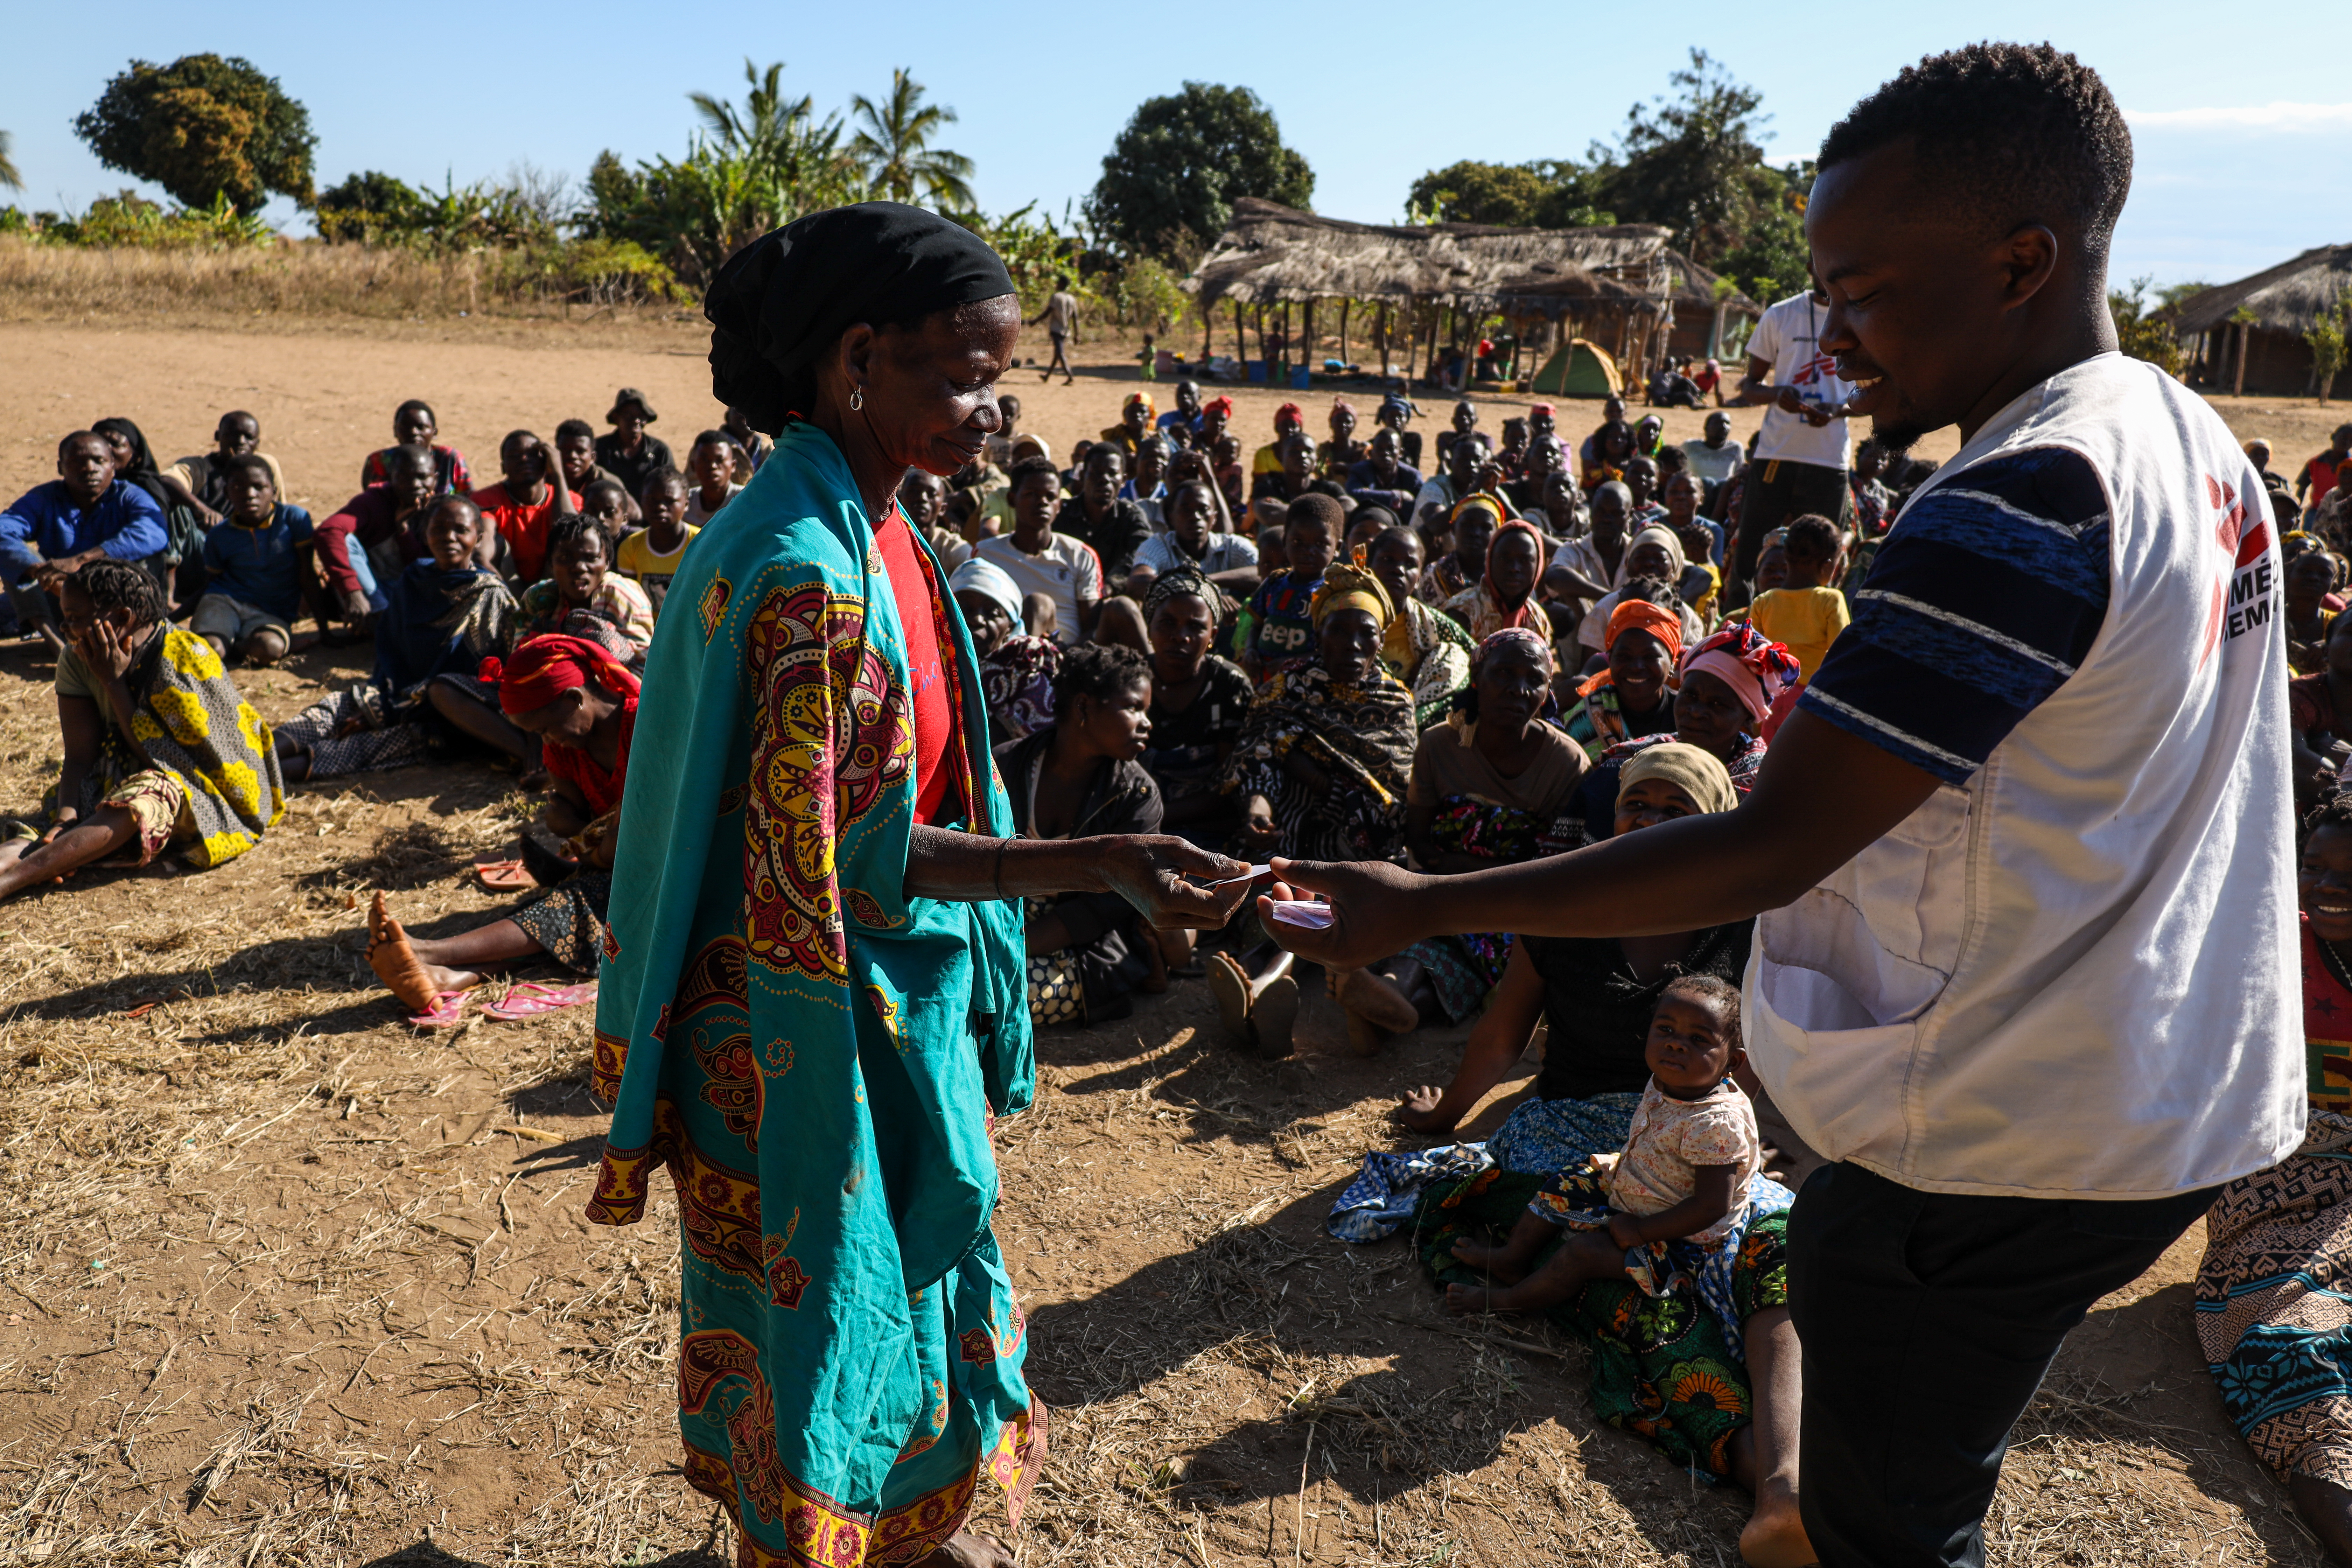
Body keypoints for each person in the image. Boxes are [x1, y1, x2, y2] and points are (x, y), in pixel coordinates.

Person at [1267, 46, 2299, 1568]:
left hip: (2005, 1128)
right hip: (2152, 1080)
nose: (1823, 339)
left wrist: (1419, 904)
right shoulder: (2182, 435)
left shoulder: (2020, 496)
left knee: (1885, 1518)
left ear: (2019, 260)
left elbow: (1763, 843)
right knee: (1912, 1451)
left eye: (1858, 286)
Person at [601, 203, 1251, 1568]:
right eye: (959, 374)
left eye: (1001, 376)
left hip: (875, 996)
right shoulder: (807, 577)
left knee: (885, 1300)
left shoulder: (874, 526)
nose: (991, 408)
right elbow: (847, 866)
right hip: (810, 1028)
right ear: (855, 357)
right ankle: (822, 1538)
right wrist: (1106, 861)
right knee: (829, 1315)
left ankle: (892, 1530)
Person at [2196, 796, 2352, 1561]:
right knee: (2284, 1337)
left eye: (2349, 874)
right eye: (2315, 866)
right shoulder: (2269, 954)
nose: (2326, 885)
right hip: (2284, 1189)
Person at [1446, 971, 1760, 1314]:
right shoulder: (1669, 1078)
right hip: (1643, 1191)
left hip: (1682, 1239)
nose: (1676, 1043)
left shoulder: (1716, 1122)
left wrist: (1640, 1230)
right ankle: (1512, 1258)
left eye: (1699, 1039)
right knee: (1571, 1179)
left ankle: (1510, 1302)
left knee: (1583, 1254)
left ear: (1733, 1061)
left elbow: (1710, 1207)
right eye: (1665, 1030)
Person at [364, 634, 640, 1020]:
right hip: (618, 865)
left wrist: (585, 846)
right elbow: (572, 819)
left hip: (673, 872)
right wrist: (581, 837)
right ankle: (451, 975)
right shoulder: (564, 745)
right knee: (575, 904)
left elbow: (623, 843)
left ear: (575, 699)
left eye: (547, 728)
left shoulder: (645, 727)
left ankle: (431, 952)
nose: (548, 742)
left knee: (583, 899)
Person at [1333, 627, 1585, 1049]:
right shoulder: (1440, 745)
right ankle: (1391, 1003)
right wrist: (1457, 874)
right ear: (1476, 677)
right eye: (1503, 673)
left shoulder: (1565, 762)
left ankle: (1386, 999)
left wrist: (1463, 873)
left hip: (1517, 904)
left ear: (1547, 690)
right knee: (1427, 914)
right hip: (1439, 886)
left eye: (1533, 679)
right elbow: (1420, 843)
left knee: (1475, 937)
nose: (1518, 689)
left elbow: (1554, 874)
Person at [0, 559, 282, 900]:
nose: (64, 627)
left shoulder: (185, 659)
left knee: (147, 795)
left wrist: (114, 683)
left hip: (198, 789)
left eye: (74, 617)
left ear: (121, 618)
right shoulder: (77, 657)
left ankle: (14, 882)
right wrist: (65, 819)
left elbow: (174, 765)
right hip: (119, 775)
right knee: (46, 828)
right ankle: (34, 856)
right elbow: (80, 757)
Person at [273, 495, 519, 783]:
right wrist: (377, 702)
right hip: (393, 694)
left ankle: (254, 775)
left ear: (478, 539)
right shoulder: (415, 577)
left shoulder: (489, 596)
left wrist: (387, 713)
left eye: (461, 531)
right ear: (425, 533)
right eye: (438, 529)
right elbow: (390, 650)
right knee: (330, 711)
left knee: (356, 749)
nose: (448, 538)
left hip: (445, 717)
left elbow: (464, 681)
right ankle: (249, 755)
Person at [999, 642, 1170, 1026]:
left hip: (1080, 944)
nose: (1147, 723)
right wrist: (993, 938)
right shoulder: (1005, 766)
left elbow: (1106, 905)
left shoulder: (1136, 795)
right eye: (1133, 708)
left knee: (997, 998)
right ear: (1083, 706)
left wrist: (1016, 946)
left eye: (1148, 710)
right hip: (997, 917)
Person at [1567, 621, 1802, 847]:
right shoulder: (1624, 765)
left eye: (1718, 704)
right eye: (1690, 696)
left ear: (1749, 717)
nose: (1697, 712)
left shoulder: (1767, 788)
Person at [1730, 285, 1855, 596]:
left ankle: (1818, 629)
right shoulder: (1781, 314)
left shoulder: (1860, 316)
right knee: (1752, 554)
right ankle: (1737, 627)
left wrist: (1837, 411)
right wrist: (1776, 394)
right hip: (1777, 453)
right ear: (1811, 265)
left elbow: (1877, 391)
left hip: (1828, 459)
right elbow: (1749, 387)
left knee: (1825, 558)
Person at [1, 431, 169, 655]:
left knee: (151, 556)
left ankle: (133, 638)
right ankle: (56, 643)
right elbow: (4, 529)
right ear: (61, 468)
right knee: (17, 564)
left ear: (113, 465)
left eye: (99, 461)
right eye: (78, 461)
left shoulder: (130, 497)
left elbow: (154, 532)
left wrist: (82, 560)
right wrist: (37, 569)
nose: (90, 468)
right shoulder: (45, 498)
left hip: (115, 605)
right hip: (57, 600)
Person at [1137, 566, 1252, 857]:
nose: (1181, 636)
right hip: (1134, 819)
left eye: (1195, 626)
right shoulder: (1132, 680)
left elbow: (1228, 789)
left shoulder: (1229, 684)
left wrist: (1156, 816)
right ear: (1149, 627)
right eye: (1167, 623)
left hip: (1207, 827)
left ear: (1213, 634)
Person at [192, 455, 316, 665]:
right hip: (225, 603)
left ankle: (236, 648)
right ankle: (225, 645)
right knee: (211, 651)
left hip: (272, 612)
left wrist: (324, 631)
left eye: (259, 487)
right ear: (227, 493)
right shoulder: (220, 535)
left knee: (268, 649)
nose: (250, 495)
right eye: (239, 487)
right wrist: (171, 619)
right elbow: (210, 584)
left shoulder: (294, 520)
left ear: (274, 491)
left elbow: (308, 575)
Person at [974, 456, 1105, 643]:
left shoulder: (1081, 555)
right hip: (1004, 656)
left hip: (1067, 657)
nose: (1042, 502)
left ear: (1059, 505)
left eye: (1051, 497)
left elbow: (1092, 629)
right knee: (1037, 605)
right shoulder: (987, 555)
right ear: (1012, 499)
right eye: (1032, 494)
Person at [1366, 525, 1475, 727]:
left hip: (1418, 727)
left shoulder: (1433, 624)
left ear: (1419, 579)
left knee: (1456, 658)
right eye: (1388, 559)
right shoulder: (1348, 615)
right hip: (1357, 714)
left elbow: (1477, 658)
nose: (1398, 569)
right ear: (1368, 566)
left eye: (1410, 564)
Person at [318, 443, 442, 620]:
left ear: (435, 479)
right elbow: (329, 531)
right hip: (375, 592)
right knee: (346, 541)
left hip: (415, 593)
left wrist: (403, 530)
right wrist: (352, 591)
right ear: (391, 478)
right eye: (404, 477)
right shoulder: (374, 501)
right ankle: (379, 615)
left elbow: (422, 569)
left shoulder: (441, 510)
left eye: (423, 477)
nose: (415, 485)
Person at [951, 556, 1059, 743]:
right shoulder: (929, 662)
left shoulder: (1026, 668)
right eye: (964, 609)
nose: (977, 620)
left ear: (1009, 628)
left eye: (992, 613)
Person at [1563, 596, 1685, 760]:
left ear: (1672, 664)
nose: (1636, 666)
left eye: (1650, 657)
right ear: (1610, 659)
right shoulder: (1588, 716)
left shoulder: (1687, 715)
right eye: (1624, 656)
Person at [518, 514, 654, 657]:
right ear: (551, 564)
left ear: (607, 561)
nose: (579, 568)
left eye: (591, 558)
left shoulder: (624, 596)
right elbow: (519, 656)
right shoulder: (539, 598)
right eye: (566, 558)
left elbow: (644, 663)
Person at [1236, 494, 1338, 681]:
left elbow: (1329, 649)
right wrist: (1251, 649)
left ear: (1337, 548)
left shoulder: (1331, 593)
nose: (1308, 551)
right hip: (1263, 678)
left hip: (1304, 683)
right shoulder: (1274, 583)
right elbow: (1257, 626)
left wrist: (1290, 662)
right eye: (1298, 542)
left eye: (1321, 544)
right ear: (1285, 543)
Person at [1575, 521, 1708, 661]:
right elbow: (1592, 668)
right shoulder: (1605, 609)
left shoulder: (1686, 617)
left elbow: (1689, 668)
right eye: (1641, 557)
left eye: (1660, 559)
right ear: (1627, 564)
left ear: (1675, 568)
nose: (1650, 563)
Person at [1745, 515, 1850, 681]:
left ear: (1787, 556)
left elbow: (1751, 651)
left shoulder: (1763, 602)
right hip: (1808, 695)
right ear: (1827, 565)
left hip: (1769, 692)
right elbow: (1842, 654)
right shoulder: (1831, 600)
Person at [470, 430, 583, 584]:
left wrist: (558, 473)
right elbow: (486, 537)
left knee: (563, 545)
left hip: (554, 583)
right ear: (503, 468)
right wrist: (484, 564)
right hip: (507, 582)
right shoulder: (486, 499)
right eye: (514, 456)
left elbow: (569, 534)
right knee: (498, 541)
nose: (524, 459)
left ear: (546, 462)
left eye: (532, 454)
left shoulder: (569, 499)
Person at [1441, 514, 1548, 642]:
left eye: (1525, 560)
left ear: (1539, 565)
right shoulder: (1463, 613)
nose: (1514, 568)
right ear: (1490, 561)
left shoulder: (1538, 619)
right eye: (1504, 559)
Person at [1058, 443, 1152, 581]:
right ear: (1083, 476)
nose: (1104, 479)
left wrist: (1113, 584)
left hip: (1114, 594)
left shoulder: (1131, 516)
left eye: (1112, 474)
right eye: (1097, 472)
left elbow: (1143, 553)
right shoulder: (1062, 513)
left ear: (1124, 481)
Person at [614, 470, 700, 616]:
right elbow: (629, 600)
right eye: (652, 499)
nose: (660, 507)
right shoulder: (631, 547)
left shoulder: (699, 542)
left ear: (686, 504)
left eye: (669, 500)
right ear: (642, 500)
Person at [1133, 479, 1257, 578]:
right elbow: (1138, 580)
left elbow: (1264, 575)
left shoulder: (1233, 546)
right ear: (1171, 518)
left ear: (1214, 518)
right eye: (1186, 510)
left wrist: (1207, 581)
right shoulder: (1158, 546)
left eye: (1203, 510)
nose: (1195, 517)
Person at [361, 399, 470, 494]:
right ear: (395, 431)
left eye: (421, 427)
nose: (413, 432)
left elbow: (468, 500)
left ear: (434, 432)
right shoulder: (379, 462)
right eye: (405, 426)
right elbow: (372, 504)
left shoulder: (450, 459)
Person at [594, 389, 673, 500]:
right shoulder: (599, 448)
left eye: (641, 416)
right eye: (628, 415)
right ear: (617, 418)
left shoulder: (659, 451)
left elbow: (670, 487)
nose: (636, 421)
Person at [1419, 493, 1496, 606]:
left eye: (1486, 528)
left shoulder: (1502, 577)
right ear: (1453, 529)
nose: (1475, 533)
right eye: (1468, 525)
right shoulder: (1435, 574)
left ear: (1497, 534)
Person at [554, 418, 631, 516]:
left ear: (593, 458)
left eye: (580, 451)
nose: (572, 456)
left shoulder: (605, 481)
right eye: (565, 450)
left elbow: (635, 515)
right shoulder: (543, 478)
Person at [2286, 548, 2342, 676]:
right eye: (2304, 571)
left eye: (2324, 574)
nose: (2313, 578)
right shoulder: (2270, 620)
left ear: (2333, 586)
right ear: (2288, 575)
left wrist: (2330, 645)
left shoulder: (2339, 626)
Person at [1345, 428, 1422, 515]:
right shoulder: (1360, 471)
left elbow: (1423, 502)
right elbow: (1354, 494)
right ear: (1371, 453)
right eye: (1380, 449)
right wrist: (1397, 496)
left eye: (1391, 449)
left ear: (1401, 453)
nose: (1385, 453)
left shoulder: (1412, 476)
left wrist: (1370, 495)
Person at [1683, 410, 1745, 510]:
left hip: (1724, 495)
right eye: (1718, 423)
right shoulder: (1690, 446)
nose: (1724, 427)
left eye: (1727, 423)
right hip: (1695, 492)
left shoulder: (1736, 448)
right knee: (1708, 483)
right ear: (1706, 428)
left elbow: (1738, 475)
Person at [683, 429, 744, 527]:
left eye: (720, 460)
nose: (713, 466)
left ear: (733, 466)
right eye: (704, 460)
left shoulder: (745, 500)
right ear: (693, 466)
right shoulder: (683, 503)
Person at [1031, 273, 1079, 384]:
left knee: (1060, 353)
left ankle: (1070, 375)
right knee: (1057, 354)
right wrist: (1077, 334)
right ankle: (1047, 376)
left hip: (1057, 329)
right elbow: (1075, 318)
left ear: (1061, 284)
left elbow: (1047, 313)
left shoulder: (1056, 297)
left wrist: (1035, 321)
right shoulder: (1072, 299)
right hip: (1066, 330)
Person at [2300, 424, 2352, 524]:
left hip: (2344, 512)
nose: (2346, 442)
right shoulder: (2315, 463)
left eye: (2351, 440)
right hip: (2317, 511)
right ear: (2333, 437)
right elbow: (2302, 488)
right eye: (2343, 437)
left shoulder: (2350, 465)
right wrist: (2297, 508)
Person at [1250, 403, 1306, 480]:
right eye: (1285, 425)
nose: (1289, 430)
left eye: (1294, 426)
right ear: (1276, 428)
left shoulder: (1304, 455)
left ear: (1301, 430)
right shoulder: (1264, 454)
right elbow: (1262, 483)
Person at [1321, 397, 1366, 477]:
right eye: (1339, 421)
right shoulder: (1324, 450)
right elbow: (1321, 473)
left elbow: (1367, 471)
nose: (1343, 425)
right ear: (1331, 424)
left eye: (1348, 422)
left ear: (1354, 426)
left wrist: (1343, 467)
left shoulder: (1363, 451)